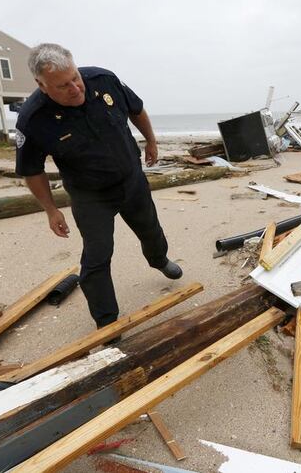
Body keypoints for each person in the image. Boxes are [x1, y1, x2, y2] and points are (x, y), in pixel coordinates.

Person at [15, 43, 182, 331]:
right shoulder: (33, 119)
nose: (75, 88)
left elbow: (136, 109)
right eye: (63, 86)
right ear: (41, 85)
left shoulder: (104, 80)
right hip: (90, 196)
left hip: (131, 180)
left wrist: (151, 140)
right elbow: (32, 170)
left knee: (151, 231)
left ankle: (159, 260)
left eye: (75, 78)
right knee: (97, 257)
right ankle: (107, 322)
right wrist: (51, 210)